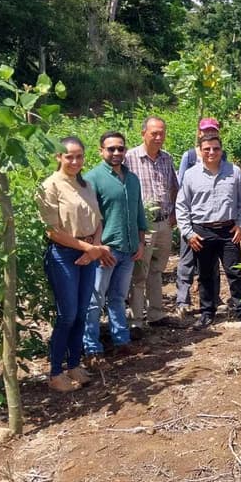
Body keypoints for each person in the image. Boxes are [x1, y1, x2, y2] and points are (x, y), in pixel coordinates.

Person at [36, 137, 114, 392]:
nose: (75, 161)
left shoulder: (86, 184)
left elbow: (98, 220)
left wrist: (96, 247)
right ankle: (56, 372)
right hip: (64, 255)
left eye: (79, 156)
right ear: (58, 157)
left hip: (88, 253)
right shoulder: (49, 186)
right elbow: (52, 231)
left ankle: (74, 364)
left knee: (82, 312)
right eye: (69, 156)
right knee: (67, 314)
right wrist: (87, 249)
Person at [176, 133, 241, 331]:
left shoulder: (234, 172)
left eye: (216, 148)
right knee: (205, 274)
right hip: (202, 231)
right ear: (200, 151)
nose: (211, 152)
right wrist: (188, 232)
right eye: (207, 149)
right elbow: (182, 206)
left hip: (229, 230)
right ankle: (207, 312)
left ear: (221, 150)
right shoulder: (190, 174)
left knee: (235, 272)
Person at [83, 131, 149, 363]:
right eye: (111, 149)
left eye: (120, 148)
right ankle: (92, 348)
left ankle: (121, 341)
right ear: (101, 150)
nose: (116, 153)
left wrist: (140, 242)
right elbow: (90, 217)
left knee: (118, 297)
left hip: (129, 249)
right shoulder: (93, 179)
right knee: (94, 299)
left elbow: (139, 213)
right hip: (107, 251)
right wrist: (97, 247)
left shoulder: (131, 179)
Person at [125, 116, 178, 335]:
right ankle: (136, 320)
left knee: (157, 270)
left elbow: (174, 186)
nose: (158, 137)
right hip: (143, 225)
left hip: (164, 223)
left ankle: (156, 314)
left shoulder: (166, 158)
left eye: (162, 133)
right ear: (143, 133)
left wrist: (174, 211)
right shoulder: (130, 158)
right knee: (139, 273)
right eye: (154, 133)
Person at [175, 117, 226, 318]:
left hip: (213, 220)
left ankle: (214, 298)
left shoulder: (221, 154)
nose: (208, 133)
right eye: (205, 131)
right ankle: (182, 300)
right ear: (199, 133)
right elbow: (181, 188)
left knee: (212, 262)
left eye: (212, 130)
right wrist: (184, 223)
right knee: (186, 260)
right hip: (193, 219)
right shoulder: (189, 156)